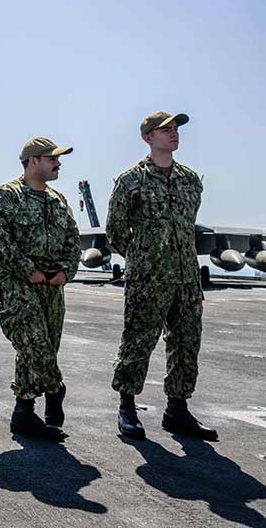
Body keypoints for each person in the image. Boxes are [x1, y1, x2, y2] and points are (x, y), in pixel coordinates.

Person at [107, 112, 218, 441]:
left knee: (186, 344)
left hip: (186, 278)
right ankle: (127, 407)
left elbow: (187, 226)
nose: (174, 134)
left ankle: (177, 410)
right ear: (148, 138)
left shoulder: (190, 180)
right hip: (148, 279)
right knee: (138, 342)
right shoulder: (130, 181)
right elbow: (115, 231)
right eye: (165, 130)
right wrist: (143, 259)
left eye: (176, 129)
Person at [0, 138, 80, 441]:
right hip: (18, 281)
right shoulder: (6, 197)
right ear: (33, 161)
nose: (58, 163)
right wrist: (30, 271)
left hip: (52, 285)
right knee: (33, 342)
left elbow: (73, 241)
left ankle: (23, 411)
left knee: (42, 347)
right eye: (52, 158)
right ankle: (55, 388)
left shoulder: (59, 200)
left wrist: (66, 271)